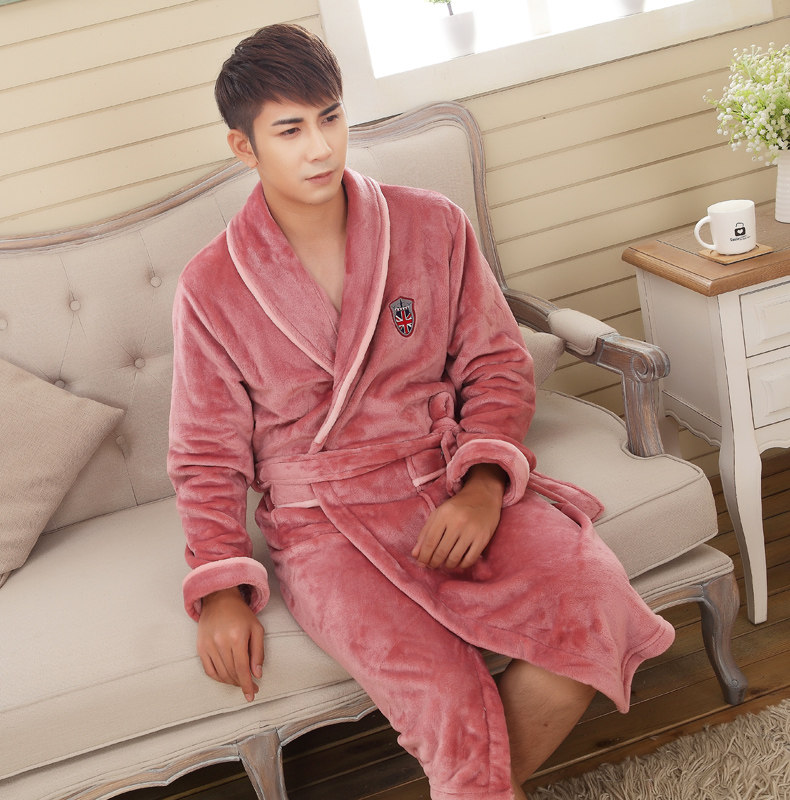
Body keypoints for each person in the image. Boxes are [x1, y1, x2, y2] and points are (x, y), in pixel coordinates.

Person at [167, 23, 675, 800]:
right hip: (323, 527)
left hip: (444, 476)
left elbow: (496, 364)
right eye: (290, 131)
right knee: (446, 699)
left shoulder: (430, 224)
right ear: (245, 147)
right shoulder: (211, 286)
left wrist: (483, 485)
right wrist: (221, 590)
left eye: (331, 118)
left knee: (594, 604)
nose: (320, 148)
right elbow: (206, 454)